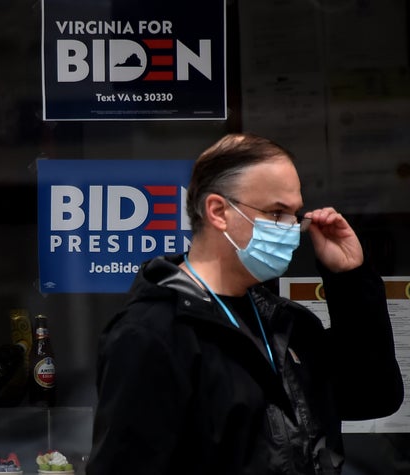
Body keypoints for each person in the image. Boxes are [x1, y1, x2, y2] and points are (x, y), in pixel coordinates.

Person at [86, 133, 404, 475]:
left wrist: (350, 279)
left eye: (295, 215)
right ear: (218, 211)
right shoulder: (153, 333)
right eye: (277, 213)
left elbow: (373, 394)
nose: (292, 229)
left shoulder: (286, 324)